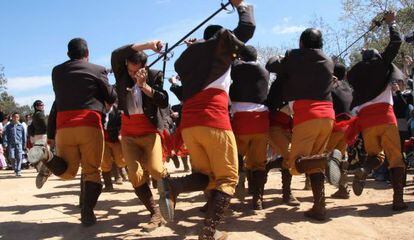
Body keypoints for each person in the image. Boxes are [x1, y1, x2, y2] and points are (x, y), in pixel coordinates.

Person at [158, 0, 255, 238]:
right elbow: (247, 28)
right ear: (220, 39)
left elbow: (194, 62)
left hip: (190, 125)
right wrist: (241, 5)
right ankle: (209, 232)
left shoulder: (185, 60)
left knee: (207, 176)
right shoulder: (218, 47)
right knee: (228, 178)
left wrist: (195, 46)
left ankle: (174, 186)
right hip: (214, 119)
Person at [34, 38, 117, 226]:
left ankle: (47, 157)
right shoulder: (98, 69)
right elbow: (111, 96)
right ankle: (87, 214)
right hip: (89, 125)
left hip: (64, 127)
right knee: (92, 172)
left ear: (68, 54)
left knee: (68, 173)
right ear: (87, 53)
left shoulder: (57, 71)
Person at [266, 28, 336, 221]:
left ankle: (329, 161)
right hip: (328, 114)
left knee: (296, 165)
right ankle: (319, 208)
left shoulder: (294, 57)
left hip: (307, 115)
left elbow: (270, 65)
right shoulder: (329, 61)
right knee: (314, 163)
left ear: (301, 43)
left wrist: (283, 57)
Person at [347, 11, 408, 211]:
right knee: (395, 157)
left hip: (367, 122)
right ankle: (398, 200)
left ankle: (365, 168)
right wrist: (392, 24)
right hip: (385, 117)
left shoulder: (354, 74)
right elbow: (396, 42)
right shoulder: (381, 65)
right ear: (376, 57)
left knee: (376, 155)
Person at [111, 40, 169, 232]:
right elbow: (117, 53)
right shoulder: (121, 74)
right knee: (135, 176)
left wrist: (144, 86)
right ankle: (155, 212)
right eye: (130, 70)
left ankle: (170, 188)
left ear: (144, 67)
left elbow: (163, 102)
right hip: (128, 133)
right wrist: (149, 45)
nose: (132, 74)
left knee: (156, 169)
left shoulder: (154, 75)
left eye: (137, 71)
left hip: (150, 132)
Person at [229, 45, 269, 210]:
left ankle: (240, 176)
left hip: (241, 120)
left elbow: (230, 61)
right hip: (261, 120)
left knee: (235, 156)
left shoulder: (237, 68)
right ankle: (257, 199)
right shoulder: (265, 72)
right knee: (259, 163)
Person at [325, 62, 353, 199]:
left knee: (321, 155)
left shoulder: (331, 86)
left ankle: (317, 190)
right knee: (340, 157)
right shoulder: (348, 87)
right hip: (349, 129)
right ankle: (343, 188)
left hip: (336, 126)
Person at [101, 104, 127, 192]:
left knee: (121, 161)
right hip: (103, 140)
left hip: (116, 139)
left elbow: (122, 123)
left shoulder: (118, 110)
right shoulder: (99, 109)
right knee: (105, 163)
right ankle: (108, 185)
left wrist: (120, 133)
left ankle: (134, 180)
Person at [29, 100, 50, 188]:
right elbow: (45, 124)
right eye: (40, 105)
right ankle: (44, 170)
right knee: (46, 152)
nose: (42, 106)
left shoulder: (34, 115)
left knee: (41, 152)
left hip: (37, 135)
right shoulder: (40, 114)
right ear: (36, 106)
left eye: (42, 105)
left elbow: (31, 126)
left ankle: (40, 167)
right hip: (43, 135)